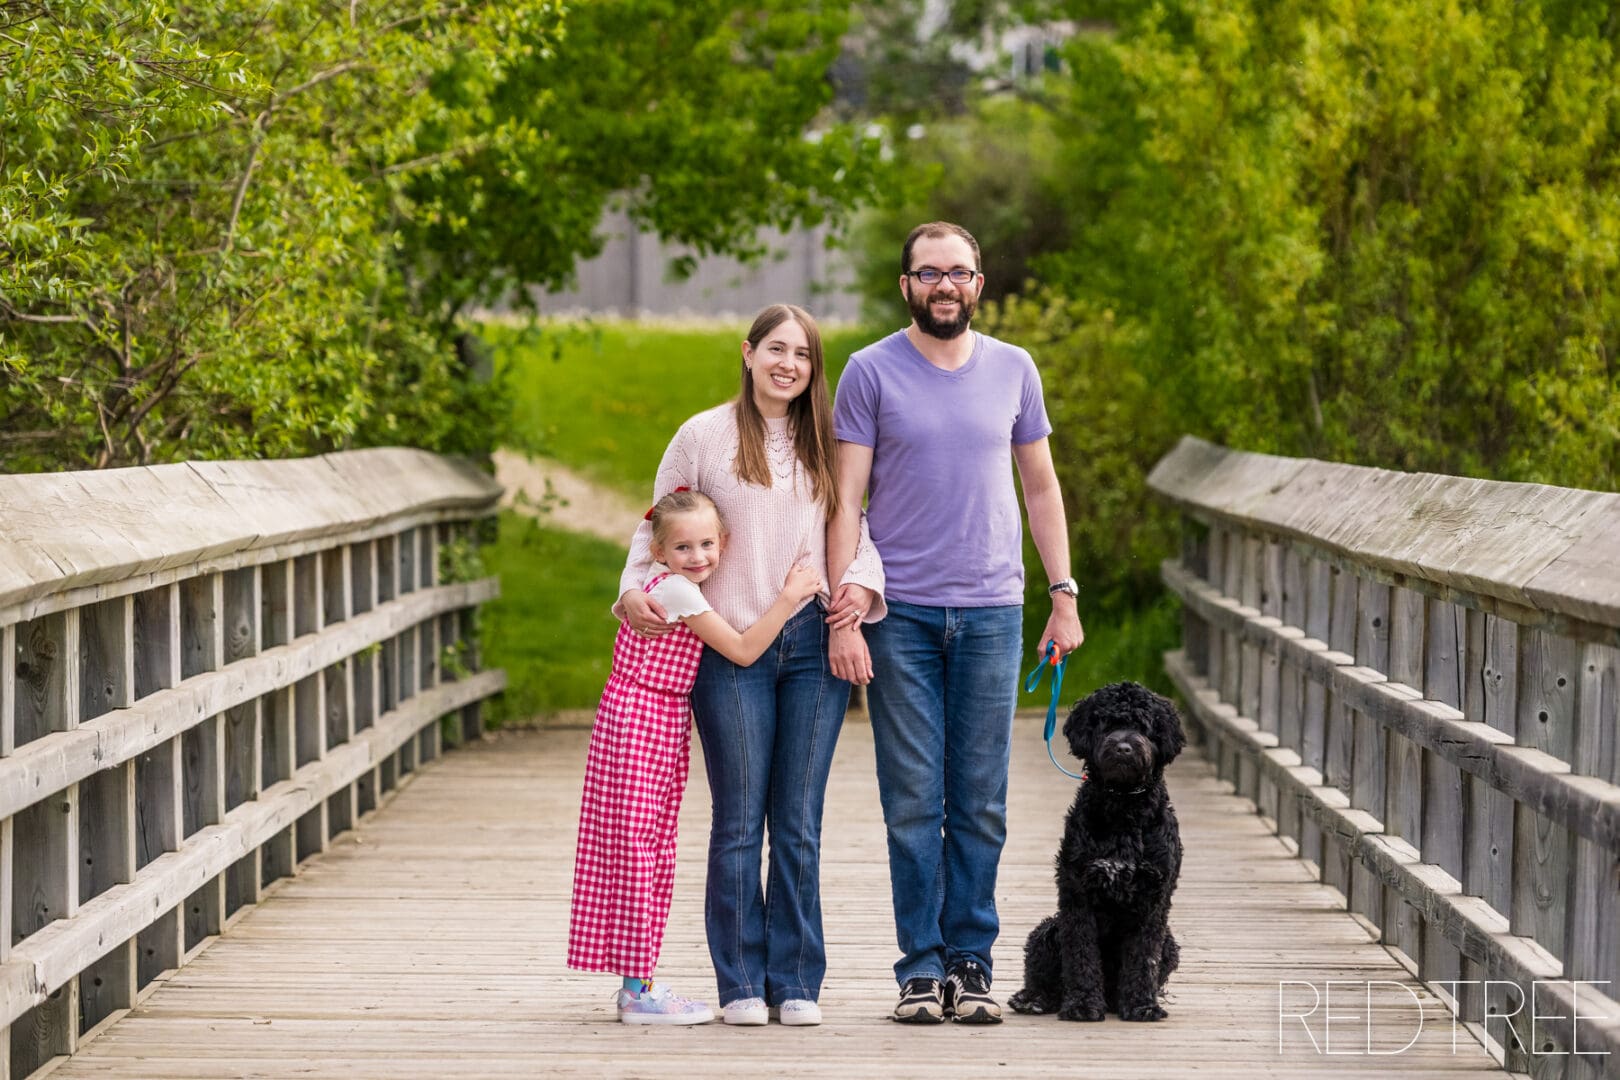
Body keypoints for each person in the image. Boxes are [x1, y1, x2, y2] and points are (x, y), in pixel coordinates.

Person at [825, 221, 1084, 1025]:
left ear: (980, 283)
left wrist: (1062, 591)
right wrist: (842, 613)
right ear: (906, 284)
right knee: (912, 799)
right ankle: (918, 969)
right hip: (895, 614)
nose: (946, 285)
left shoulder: (1014, 368)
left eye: (960, 272)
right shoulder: (869, 372)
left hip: (993, 613)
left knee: (980, 802)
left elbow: (1040, 486)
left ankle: (971, 965)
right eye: (929, 272)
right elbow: (845, 501)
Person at [616, 303, 886, 1027]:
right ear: (748, 352)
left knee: (797, 819)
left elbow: (857, 532)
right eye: (775, 348)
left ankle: (796, 981)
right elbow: (653, 534)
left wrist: (854, 600)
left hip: (811, 646)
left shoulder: (831, 440)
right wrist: (627, 597)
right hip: (729, 647)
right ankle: (738, 983)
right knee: (738, 819)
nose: (788, 364)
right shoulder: (701, 436)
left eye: (802, 354)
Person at [567, 488, 824, 1025]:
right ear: (657, 552)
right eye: (683, 546)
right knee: (641, 848)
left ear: (724, 542)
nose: (699, 556)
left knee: (649, 846)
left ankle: (639, 982)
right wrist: (791, 595)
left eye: (708, 543)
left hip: (653, 719)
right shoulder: (680, 592)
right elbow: (744, 650)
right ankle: (638, 992)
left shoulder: (676, 584)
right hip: (642, 720)